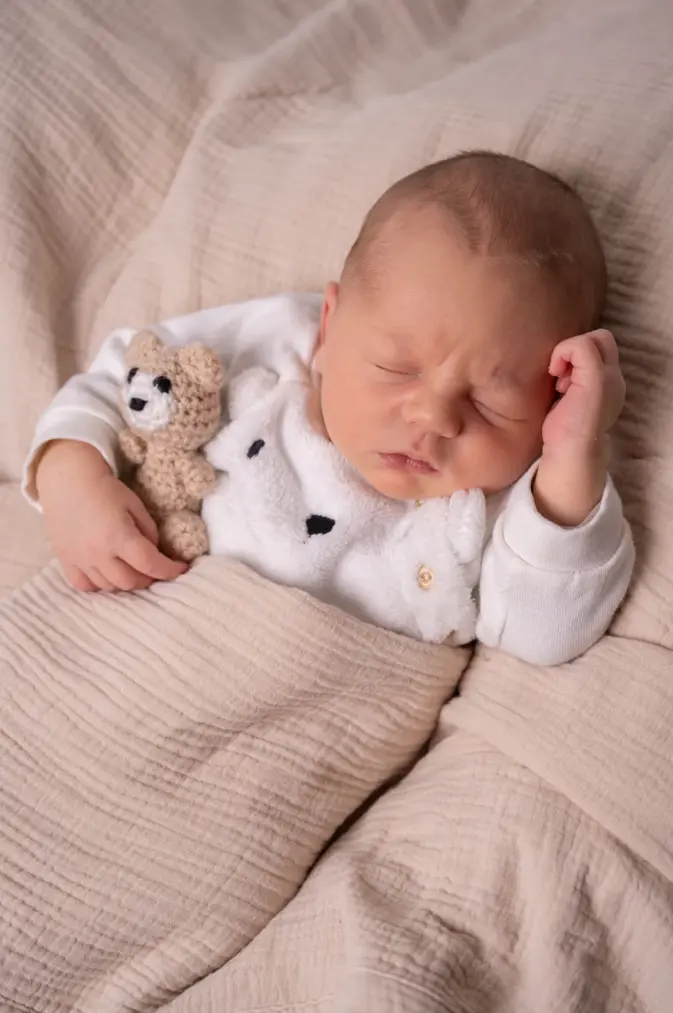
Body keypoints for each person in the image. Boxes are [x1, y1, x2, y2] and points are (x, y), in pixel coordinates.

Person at [24, 151, 634, 664]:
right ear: (331, 324)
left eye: (490, 402)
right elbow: (130, 373)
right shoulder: (281, 347)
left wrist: (574, 458)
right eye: (397, 368)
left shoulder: (512, 503)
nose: (434, 418)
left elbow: (545, 635)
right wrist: (71, 474)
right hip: (128, 638)